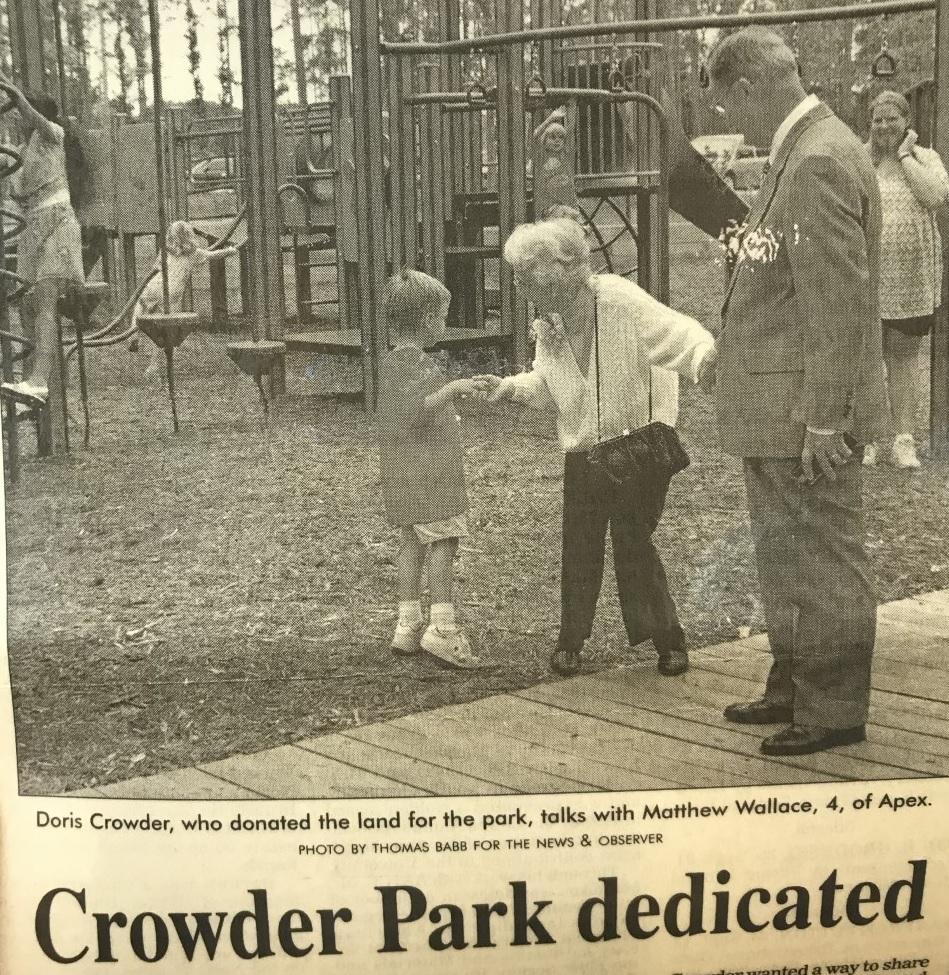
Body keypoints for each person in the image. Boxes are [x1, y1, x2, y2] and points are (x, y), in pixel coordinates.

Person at [703, 27, 888, 756]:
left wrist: (822, 421)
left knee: (820, 554)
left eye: (725, 107)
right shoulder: (809, 149)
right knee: (784, 552)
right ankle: (795, 683)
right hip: (773, 402)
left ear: (748, 88)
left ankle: (835, 707)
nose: (728, 123)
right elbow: (780, 274)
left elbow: (836, 306)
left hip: (801, 412)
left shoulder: (814, 160)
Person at [485, 217, 716, 677]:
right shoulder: (549, 321)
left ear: (566, 266)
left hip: (638, 444)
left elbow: (678, 333)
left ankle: (669, 639)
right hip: (585, 451)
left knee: (634, 541)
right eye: (515, 272)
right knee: (580, 547)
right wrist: (508, 388)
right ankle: (571, 640)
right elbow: (553, 387)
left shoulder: (616, 298)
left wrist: (705, 360)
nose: (517, 282)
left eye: (526, 270)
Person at [377, 268, 495, 669]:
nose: (443, 325)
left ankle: (407, 625)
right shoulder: (412, 363)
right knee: (443, 543)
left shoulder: (395, 361)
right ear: (428, 320)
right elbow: (416, 410)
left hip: (405, 474)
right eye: (442, 317)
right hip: (430, 476)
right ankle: (442, 628)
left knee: (412, 543)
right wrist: (454, 389)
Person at [862, 90, 949, 470]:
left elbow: (933, 196)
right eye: (877, 119)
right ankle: (867, 438)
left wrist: (903, 156)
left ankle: (903, 440)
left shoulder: (924, 158)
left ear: (906, 121)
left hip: (909, 280)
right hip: (866, 277)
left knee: (902, 357)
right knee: (865, 358)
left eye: (891, 118)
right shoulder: (861, 159)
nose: (884, 126)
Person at [0, 77, 85, 403]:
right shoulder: (18, 155)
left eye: (22, 111)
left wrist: (11, 89)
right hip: (31, 230)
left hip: (57, 222)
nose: (18, 117)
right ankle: (27, 384)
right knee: (26, 307)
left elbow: (30, 113)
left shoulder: (52, 136)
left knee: (45, 305)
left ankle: (39, 381)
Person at [132, 220, 239, 376]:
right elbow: (213, 255)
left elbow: (156, 268)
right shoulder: (194, 253)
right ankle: (153, 365)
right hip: (173, 291)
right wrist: (229, 250)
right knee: (164, 328)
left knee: (140, 305)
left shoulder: (166, 250)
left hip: (157, 284)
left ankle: (133, 334)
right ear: (190, 236)